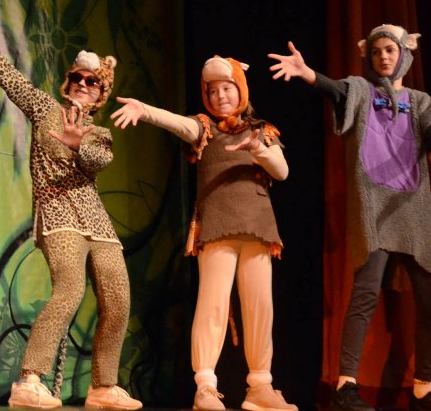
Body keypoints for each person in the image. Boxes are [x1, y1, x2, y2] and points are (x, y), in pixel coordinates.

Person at [0, 8, 141, 411]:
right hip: (57, 212)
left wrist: (78, 143)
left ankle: (104, 387)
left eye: (92, 82)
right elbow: (12, 79)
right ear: (67, 83)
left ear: (100, 94)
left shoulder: (99, 133)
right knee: (69, 290)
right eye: (77, 79)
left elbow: (99, 162)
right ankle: (29, 380)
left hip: (96, 219)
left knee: (119, 298)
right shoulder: (44, 108)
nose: (83, 84)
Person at [269, 27, 431, 411]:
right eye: (376, 52)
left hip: (412, 208)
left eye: (390, 50)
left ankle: (424, 389)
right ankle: (345, 387)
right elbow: (335, 89)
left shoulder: (422, 101)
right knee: (366, 292)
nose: (383, 57)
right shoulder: (362, 90)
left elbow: (430, 131)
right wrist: (307, 73)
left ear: (404, 54)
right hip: (374, 207)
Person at [111, 56, 296, 411]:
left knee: (260, 307)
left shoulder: (261, 131)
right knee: (212, 304)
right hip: (217, 228)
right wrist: (143, 109)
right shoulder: (203, 128)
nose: (220, 96)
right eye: (213, 91)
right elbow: (176, 122)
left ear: (240, 90)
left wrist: (257, 149)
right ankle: (206, 386)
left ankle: (260, 387)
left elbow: (282, 171)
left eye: (227, 88)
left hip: (258, 227)